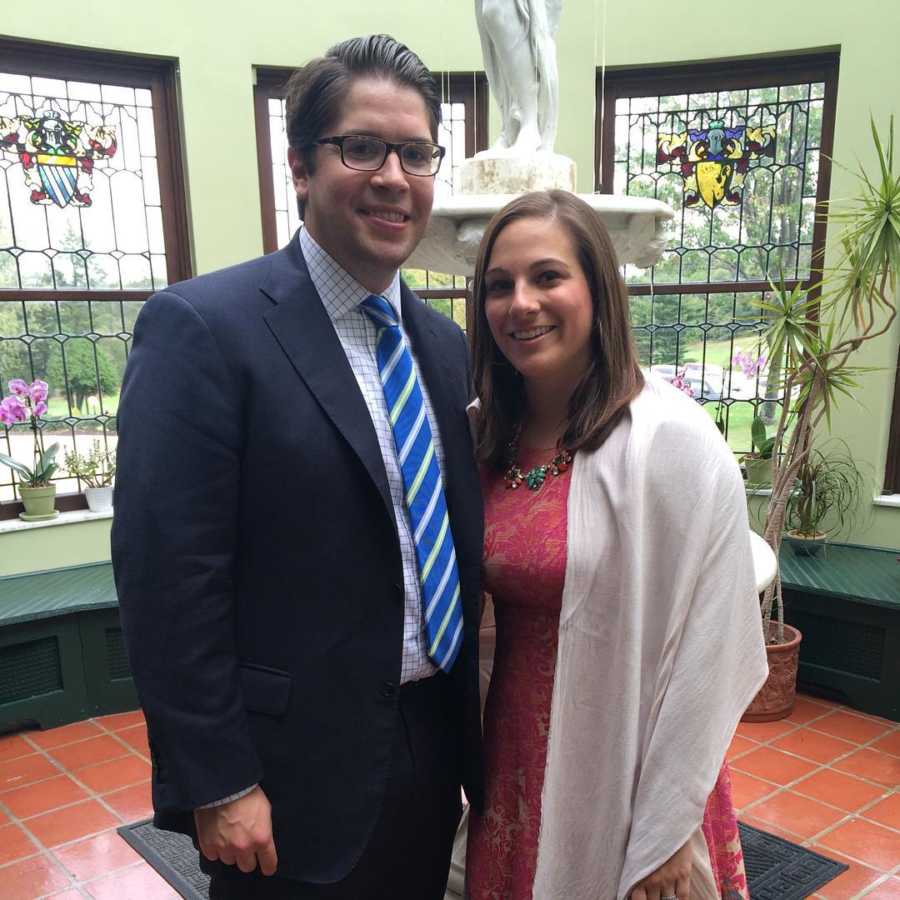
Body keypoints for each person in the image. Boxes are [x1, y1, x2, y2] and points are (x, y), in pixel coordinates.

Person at [112, 34, 484, 900]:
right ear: (301, 166)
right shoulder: (204, 329)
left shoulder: (448, 346)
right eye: (362, 147)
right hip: (283, 780)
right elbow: (170, 579)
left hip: (432, 752)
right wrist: (219, 780)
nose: (394, 176)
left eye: (418, 152)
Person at [463, 190, 768, 900]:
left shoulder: (672, 441)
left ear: (598, 291)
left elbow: (711, 646)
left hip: (628, 756)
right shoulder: (478, 437)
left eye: (547, 276)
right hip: (513, 753)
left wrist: (666, 821)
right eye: (499, 285)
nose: (521, 303)